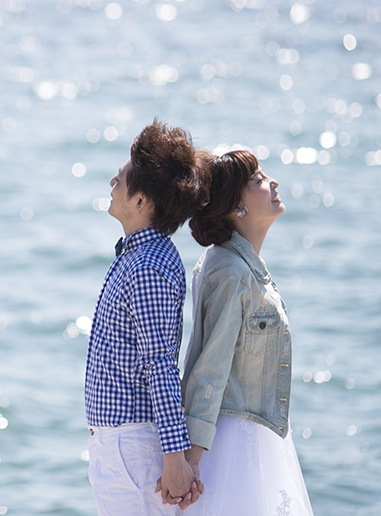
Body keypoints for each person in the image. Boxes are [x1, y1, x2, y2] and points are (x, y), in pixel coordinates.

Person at [176, 149, 314, 514]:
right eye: (258, 180)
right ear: (236, 207)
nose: (273, 182)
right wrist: (191, 460)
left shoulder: (235, 263)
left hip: (252, 431)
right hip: (234, 441)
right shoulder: (231, 271)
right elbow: (211, 368)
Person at [85, 120, 205, 513]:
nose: (111, 183)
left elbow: (160, 364)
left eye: (119, 180)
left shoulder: (148, 266)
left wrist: (174, 459)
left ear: (141, 202)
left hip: (133, 448)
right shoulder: (141, 255)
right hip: (123, 445)